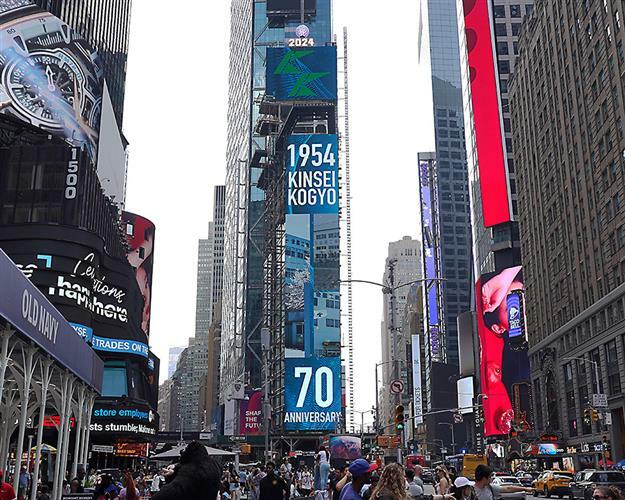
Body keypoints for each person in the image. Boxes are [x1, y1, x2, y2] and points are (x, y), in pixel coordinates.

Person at [152, 441, 221, 500]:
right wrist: (175, 472)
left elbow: (175, 489)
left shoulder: (193, 469)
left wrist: (155, 497)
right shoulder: (214, 465)